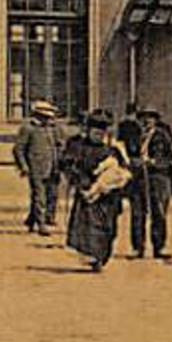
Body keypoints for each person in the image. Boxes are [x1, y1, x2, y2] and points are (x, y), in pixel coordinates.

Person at [64, 110, 128, 272]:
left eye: (102, 132)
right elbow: (69, 167)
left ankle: (102, 256)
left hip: (109, 198)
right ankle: (94, 258)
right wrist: (83, 185)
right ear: (89, 131)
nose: (99, 135)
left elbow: (123, 171)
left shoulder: (113, 150)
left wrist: (115, 183)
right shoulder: (78, 147)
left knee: (109, 229)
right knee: (90, 227)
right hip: (88, 196)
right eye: (96, 131)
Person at [126, 107, 172, 260]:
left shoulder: (163, 136)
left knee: (159, 212)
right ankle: (137, 248)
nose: (146, 121)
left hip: (158, 178)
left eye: (150, 118)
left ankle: (159, 247)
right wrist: (133, 162)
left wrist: (155, 162)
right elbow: (127, 154)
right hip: (138, 178)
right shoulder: (134, 136)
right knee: (137, 213)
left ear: (155, 120)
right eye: (143, 118)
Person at [14, 100, 63, 235]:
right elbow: (19, 149)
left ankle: (33, 219)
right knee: (39, 195)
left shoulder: (54, 128)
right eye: (45, 116)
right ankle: (41, 224)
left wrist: (61, 161)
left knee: (52, 195)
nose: (48, 119)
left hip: (54, 166)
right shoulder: (29, 128)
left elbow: (60, 145)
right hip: (36, 167)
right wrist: (23, 166)